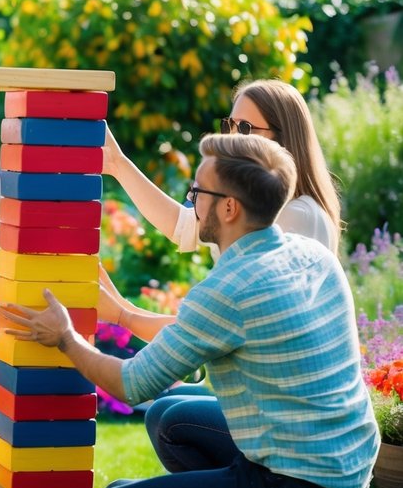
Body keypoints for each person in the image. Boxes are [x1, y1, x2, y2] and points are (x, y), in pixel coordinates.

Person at [4, 133, 379, 488]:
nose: (192, 200)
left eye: (197, 193)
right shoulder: (312, 256)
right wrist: (123, 312)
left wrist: (64, 337)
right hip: (345, 472)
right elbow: (192, 341)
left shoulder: (230, 289)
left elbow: (132, 383)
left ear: (228, 208)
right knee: (171, 418)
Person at [98, 78, 342, 415]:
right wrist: (116, 164)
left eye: (245, 128)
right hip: (263, 392)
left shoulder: (295, 217)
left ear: (282, 139)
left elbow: (211, 329)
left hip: (285, 409)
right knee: (169, 407)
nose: (230, 139)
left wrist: (122, 314)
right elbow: (183, 226)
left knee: (170, 415)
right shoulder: (255, 206)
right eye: (229, 125)